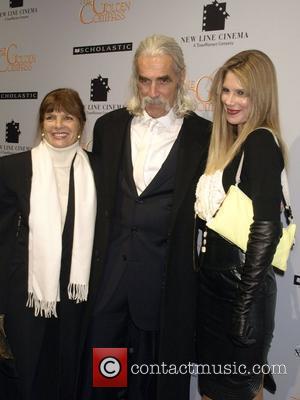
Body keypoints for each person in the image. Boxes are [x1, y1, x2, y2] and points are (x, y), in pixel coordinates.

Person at [79, 34, 211, 400]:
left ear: (181, 77)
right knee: (107, 375)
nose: (153, 91)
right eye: (144, 79)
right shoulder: (109, 128)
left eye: (163, 80)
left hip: (164, 286)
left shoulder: (204, 136)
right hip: (110, 284)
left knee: (151, 385)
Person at [194, 50, 286, 399]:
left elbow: (266, 229)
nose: (230, 101)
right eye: (227, 90)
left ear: (260, 95)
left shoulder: (260, 142)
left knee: (236, 393)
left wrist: (245, 306)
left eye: (241, 93)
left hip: (239, 295)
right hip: (214, 292)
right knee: (213, 392)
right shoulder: (232, 141)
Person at [0, 88, 100, 400]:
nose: (59, 124)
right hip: (29, 295)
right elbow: (3, 241)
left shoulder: (100, 169)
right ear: (41, 123)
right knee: (29, 377)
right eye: (50, 116)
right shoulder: (13, 168)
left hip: (78, 294)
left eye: (68, 117)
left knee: (70, 375)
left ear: (81, 123)